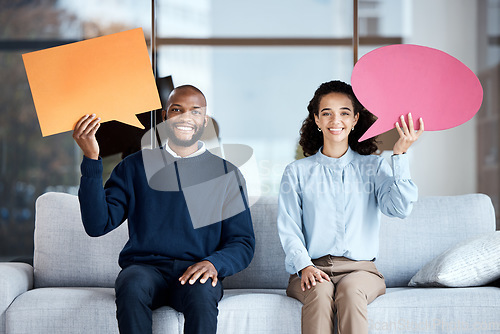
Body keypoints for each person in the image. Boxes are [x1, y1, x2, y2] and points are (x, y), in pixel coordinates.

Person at [72, 85, 255, 334]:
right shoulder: (134, 167)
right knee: (131, 283)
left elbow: (242, 242)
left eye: (195, 112)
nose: (185, 118)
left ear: (205, 121)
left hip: (197, 269)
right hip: (145, 269)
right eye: (177, 110)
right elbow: (96, 224)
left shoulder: (225, 174)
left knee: (203, 292)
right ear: (164, 117)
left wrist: (214, 264)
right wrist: (92, 158)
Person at [277, 80, 424, 334]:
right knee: (320, 292)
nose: (336, 120)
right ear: (317, 119)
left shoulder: (374, 167)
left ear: (355, 119)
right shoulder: (296, 172)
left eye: (345, 113)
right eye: (327, 113)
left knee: (350, 290)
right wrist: (305, 266)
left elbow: (400, 209)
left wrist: (399, 155)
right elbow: (289, 227)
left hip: (361, 270)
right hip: (312, 268)